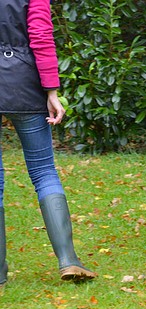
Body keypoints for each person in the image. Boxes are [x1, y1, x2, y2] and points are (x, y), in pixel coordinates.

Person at [0, 0, 97, 286]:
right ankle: (68, 260)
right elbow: (41, 36)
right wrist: (52, 90)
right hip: (23, 83)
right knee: (44, 171)